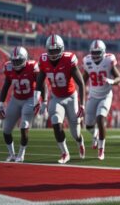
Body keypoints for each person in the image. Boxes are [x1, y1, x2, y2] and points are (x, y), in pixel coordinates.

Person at [34, 34, 86, 164]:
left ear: (62, 49)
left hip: (71, 97)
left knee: (75, 133)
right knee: (56, 122)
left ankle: (80, 141)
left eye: (56, 50)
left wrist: (82, 104)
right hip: (56, 97)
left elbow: (81, 83)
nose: (53, 53)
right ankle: (65, 153)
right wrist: (39, 100)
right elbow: (39, 82)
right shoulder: (44, 60)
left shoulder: (69, 60)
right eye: (51, 50)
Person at [0, 46, 46, 162]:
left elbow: (41, 84)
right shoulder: (8, 67)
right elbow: (6, 86)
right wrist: (0, 104)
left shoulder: (32, 67)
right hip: (16, 98)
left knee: (24, 126)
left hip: (30, 99)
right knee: (6, 129)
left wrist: (43, 101)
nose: (16, 63)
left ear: (25, 59)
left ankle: (21, 154)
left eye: (18, 60)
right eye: (14, 61)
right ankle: (12, 154)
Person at [82, 40, 120, 160]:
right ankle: (95, 134)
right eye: (93, 52)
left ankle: (101, 149)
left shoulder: (109, 60)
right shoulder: (87, 61)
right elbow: (83, 80)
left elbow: (119, 77)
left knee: (100, 118)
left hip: (106, 95)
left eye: (97, 52)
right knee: (88, 125)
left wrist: (112, 81)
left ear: (103, 52)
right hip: (92, 96)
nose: (95, 55)